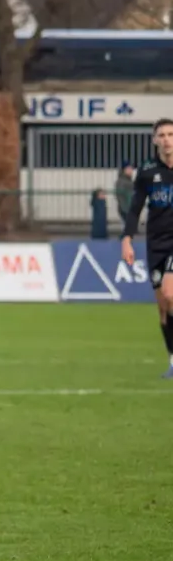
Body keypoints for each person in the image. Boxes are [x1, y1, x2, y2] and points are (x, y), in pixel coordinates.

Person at [118, 118, 173, 379]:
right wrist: (127, 239)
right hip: (156, 243)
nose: (167, 140)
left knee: (170, 293)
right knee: (163, 307)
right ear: (154, 140)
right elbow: (135, 207)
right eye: (161, 135)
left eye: (171, 134)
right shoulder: (148, 171)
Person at [116, 164, 139, 237]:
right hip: (125, 207)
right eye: (129, 169)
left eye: (131, 169)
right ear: (124, 170)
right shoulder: (122, 181)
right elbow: (120, 194)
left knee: (129, 227)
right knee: (127, 228)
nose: (131, 171)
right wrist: (124, 207)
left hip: (130, 206)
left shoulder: (129, 180)